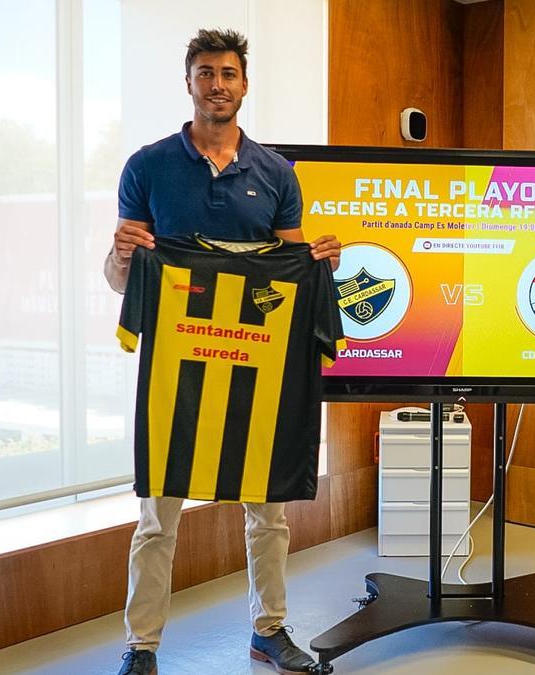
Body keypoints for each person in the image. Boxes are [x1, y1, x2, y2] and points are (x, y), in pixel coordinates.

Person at [105, 28, 340, 675]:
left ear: (244, 83)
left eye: (228, 73)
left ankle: (269, 630)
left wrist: (317, 263)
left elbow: (291, 262)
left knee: (268, 512)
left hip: (254, 365)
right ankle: (141, 646)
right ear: (189, 82)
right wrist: (120, 256)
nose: (218, 84)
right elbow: (123, 279)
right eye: (206, 73)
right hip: (176, 370)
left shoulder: (274, 172)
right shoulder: (147, 167)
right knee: (157, 517)